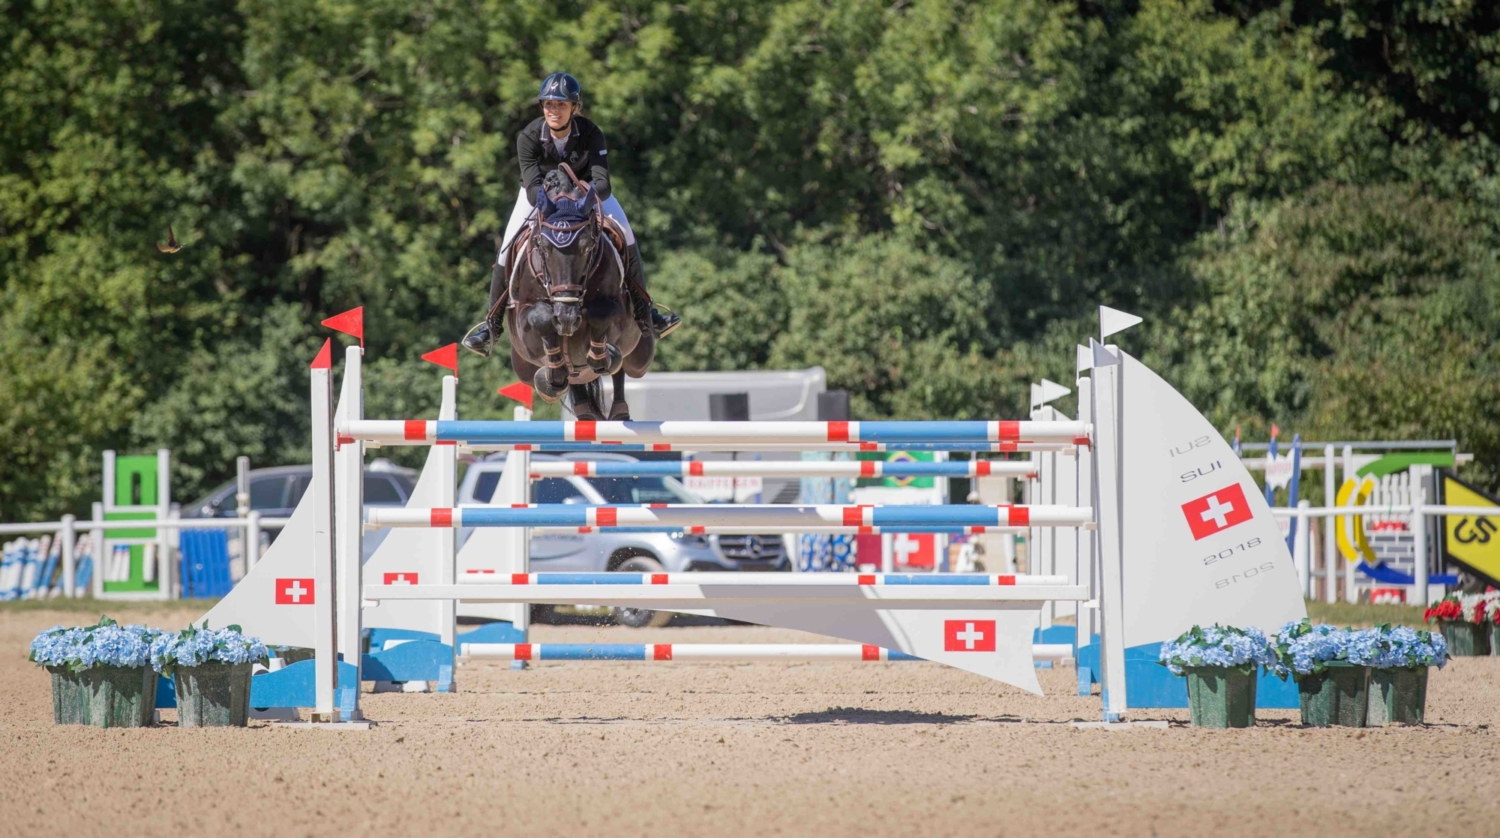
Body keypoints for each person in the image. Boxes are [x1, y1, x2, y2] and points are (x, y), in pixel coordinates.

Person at [463, 72, 680, 355]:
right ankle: (491, 327)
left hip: (586, 196)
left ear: (574, 108)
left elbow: (602, 184)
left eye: (561, 105)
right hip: (540, 197)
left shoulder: (591, 133)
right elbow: (532, 189)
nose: (554, 110)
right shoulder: (528, 137)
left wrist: (580, 196)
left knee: (626, 235)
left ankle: (646, 314)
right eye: (549, 104)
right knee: (506, 248)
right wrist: (555, 200)